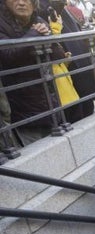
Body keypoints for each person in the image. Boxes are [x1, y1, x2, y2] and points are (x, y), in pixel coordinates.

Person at [0, 0, 66, 145]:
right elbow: (7, 56)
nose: (21, 3)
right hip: (21, 108)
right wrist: (34, 35)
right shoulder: (2, 23)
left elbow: (58, 55)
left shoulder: (39, 20)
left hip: (48, 102)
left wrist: (46, 36)